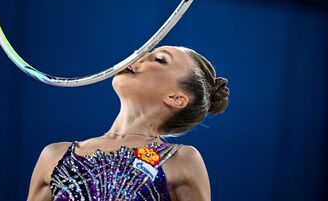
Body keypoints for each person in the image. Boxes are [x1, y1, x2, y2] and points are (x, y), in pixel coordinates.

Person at [26, 45, 230, 201]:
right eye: (141, 52)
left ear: (176, 98)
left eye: (159, 59)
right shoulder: (54, 156)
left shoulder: (181, 160)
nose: (137, 57)